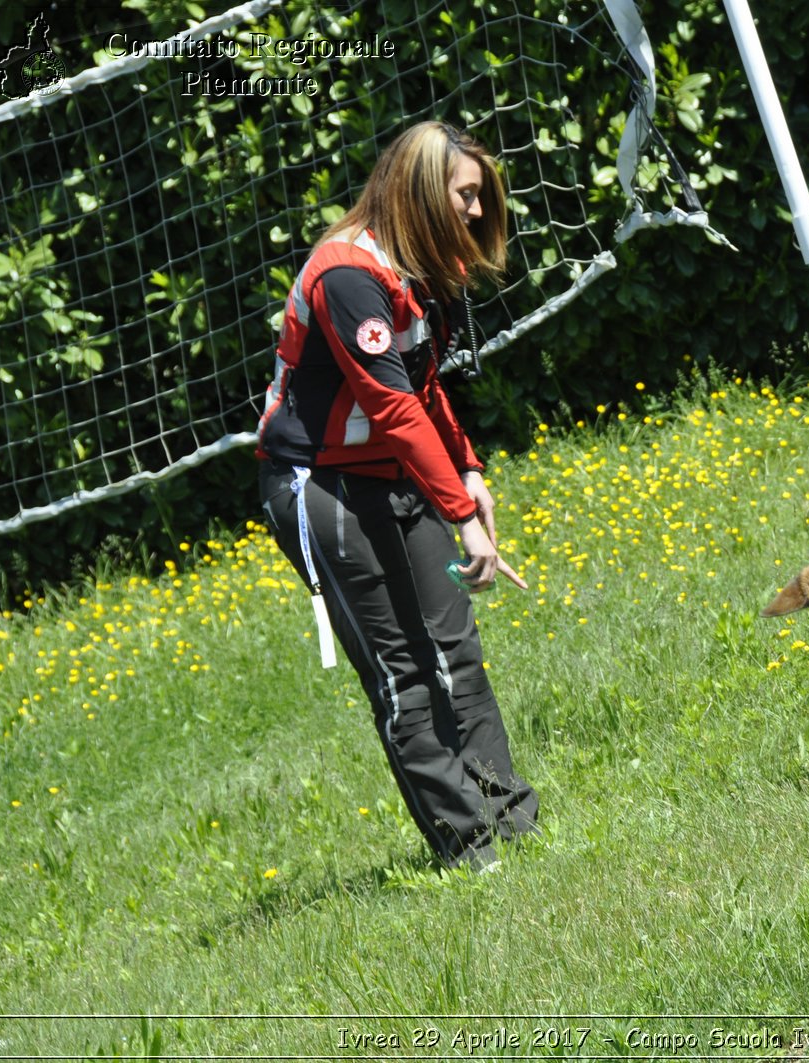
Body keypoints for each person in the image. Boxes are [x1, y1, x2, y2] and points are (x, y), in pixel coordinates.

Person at [256, 120, 539, 871]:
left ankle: (514, 823)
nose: (478, 212)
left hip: (393, 473)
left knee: (458, 651)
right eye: (466, 194)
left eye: (483, 197)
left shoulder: (424, 270)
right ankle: (468, 848)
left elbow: (424, 387)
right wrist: (461, 517)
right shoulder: (347, 274)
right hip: (321, 488)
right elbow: (391, 408)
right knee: (405, 674)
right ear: (420, 188)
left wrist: (470, 473)